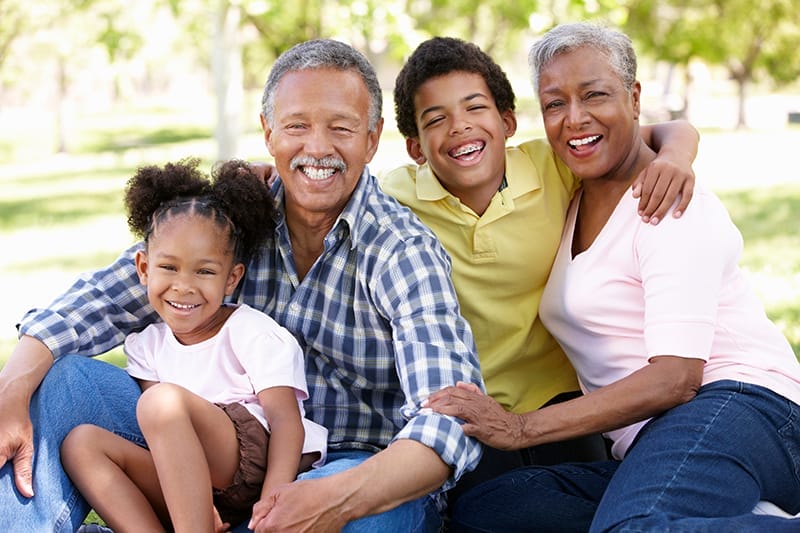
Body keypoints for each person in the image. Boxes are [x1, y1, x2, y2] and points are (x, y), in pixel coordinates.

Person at [0, 39, 483, 532]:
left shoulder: (402, 252)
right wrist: (9, 391)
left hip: (350, 464)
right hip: (215, 452)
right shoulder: (231, 216)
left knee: (363, 522)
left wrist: (331, 497)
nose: (317, 148)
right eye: (297, 126)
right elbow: (99, 303)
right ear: (268, 131)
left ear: (372, 138)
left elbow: (448, 423)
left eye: (341, 128)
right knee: (62, 383)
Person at [425, 22, 800, 531]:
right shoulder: (569, 191)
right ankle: (735, 514)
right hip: (657, 442)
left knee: (635, 527)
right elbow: (666, 133)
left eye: (595, 95)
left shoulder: (668, 203)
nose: (574, 119)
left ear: (634, 96)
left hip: (742, 405)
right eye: (555, 103)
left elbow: (677, 378)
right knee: (494, 508)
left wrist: (521, 428)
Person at [381, 36, 699, 503]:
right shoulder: (397, 198)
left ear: (507, 121)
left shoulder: (552, 166)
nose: (460, 128)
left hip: (564, 398)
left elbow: (662, 131)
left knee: (593, 504)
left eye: (475, 109)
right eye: (436, 119)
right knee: (480, 513)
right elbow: (332, 188)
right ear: (415, 148)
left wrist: (675, 156)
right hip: (470, 406)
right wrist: (266, 173)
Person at [60, 158, 328, 531]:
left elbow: (287, 424)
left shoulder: (251, 331)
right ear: (143, 268)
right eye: (168, 268)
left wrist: (271, 504)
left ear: (232, 278)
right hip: (194, 483)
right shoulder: (147, 346)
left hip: (254, 462)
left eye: (204, 271)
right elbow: (161, 442)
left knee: (159, 402)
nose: (183, 286)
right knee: (81, 444)